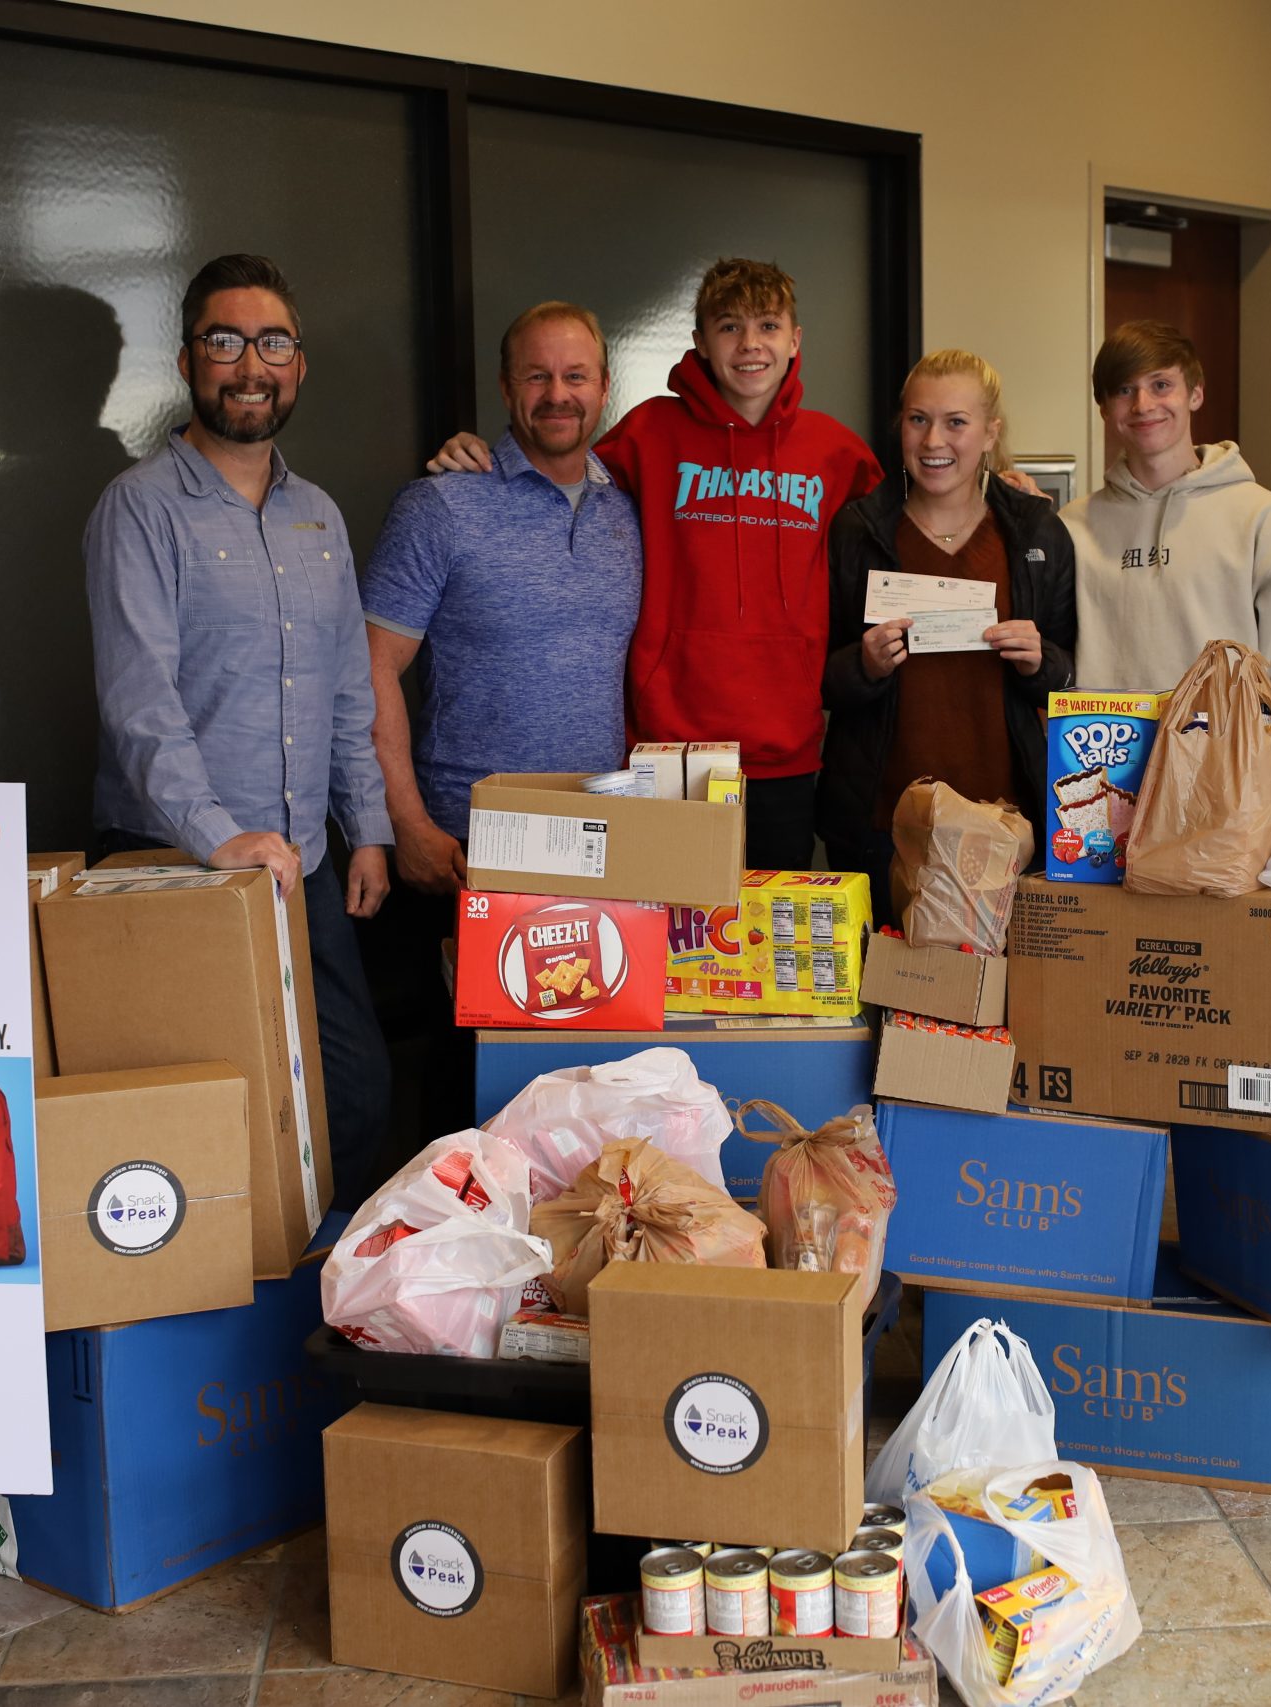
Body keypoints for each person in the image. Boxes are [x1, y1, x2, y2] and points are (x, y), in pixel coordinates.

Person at [85, 252, 394, 1209]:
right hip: (176, 861)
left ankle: (320, 1318)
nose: (248, 365)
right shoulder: (138, 509)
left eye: (272, 343)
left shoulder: (320, 518)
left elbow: (348, 685)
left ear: (298, 365)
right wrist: (218, 836)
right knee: (204, 1119)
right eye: (225, 341)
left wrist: (370, 825)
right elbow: (140, 702)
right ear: (188, 361)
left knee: (354, 1103)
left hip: (297, 865)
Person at [428, 259, 884, 868]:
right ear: (698, 341)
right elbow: (558, 471)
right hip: (664, 752)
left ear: (795, 340)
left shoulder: (835, 450)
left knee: (767, 951)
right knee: (670, 942)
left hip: (786, 749)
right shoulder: (649, 433)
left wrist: (996, 484)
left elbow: (903, 523)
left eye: (769, 326)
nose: (750, 345)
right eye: (728, 328)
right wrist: (477, 449)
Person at [362, 302, 642, 892]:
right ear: (505, 386)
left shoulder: (627, 511)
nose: (557, 394)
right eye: (536, 375)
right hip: (469, 838)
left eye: (575, 375)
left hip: (602, 838)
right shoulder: (440, 506)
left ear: (604, 386)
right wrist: (406, 823)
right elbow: (369, 668)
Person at [819, 349, 1076, 907]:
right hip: (884, 823)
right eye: (918, 419)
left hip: (1005, 824)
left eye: (956, 422)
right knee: (884, 987)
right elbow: (823, 677)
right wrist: (864, 664)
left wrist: (1039, 661)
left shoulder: (1035, 532)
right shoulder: (858, 530)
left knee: (993, 992)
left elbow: (1067, 677)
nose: (934, 441)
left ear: (990, 433)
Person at [1062, 320, 1271, 700]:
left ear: (1195, 393)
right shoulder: (1071, 527)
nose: (1143, 405)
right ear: (1103, 407)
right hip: (1102, 753)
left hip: (1227, 755)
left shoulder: (1264, 519)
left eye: (1161, 385)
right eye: (1124, 389)